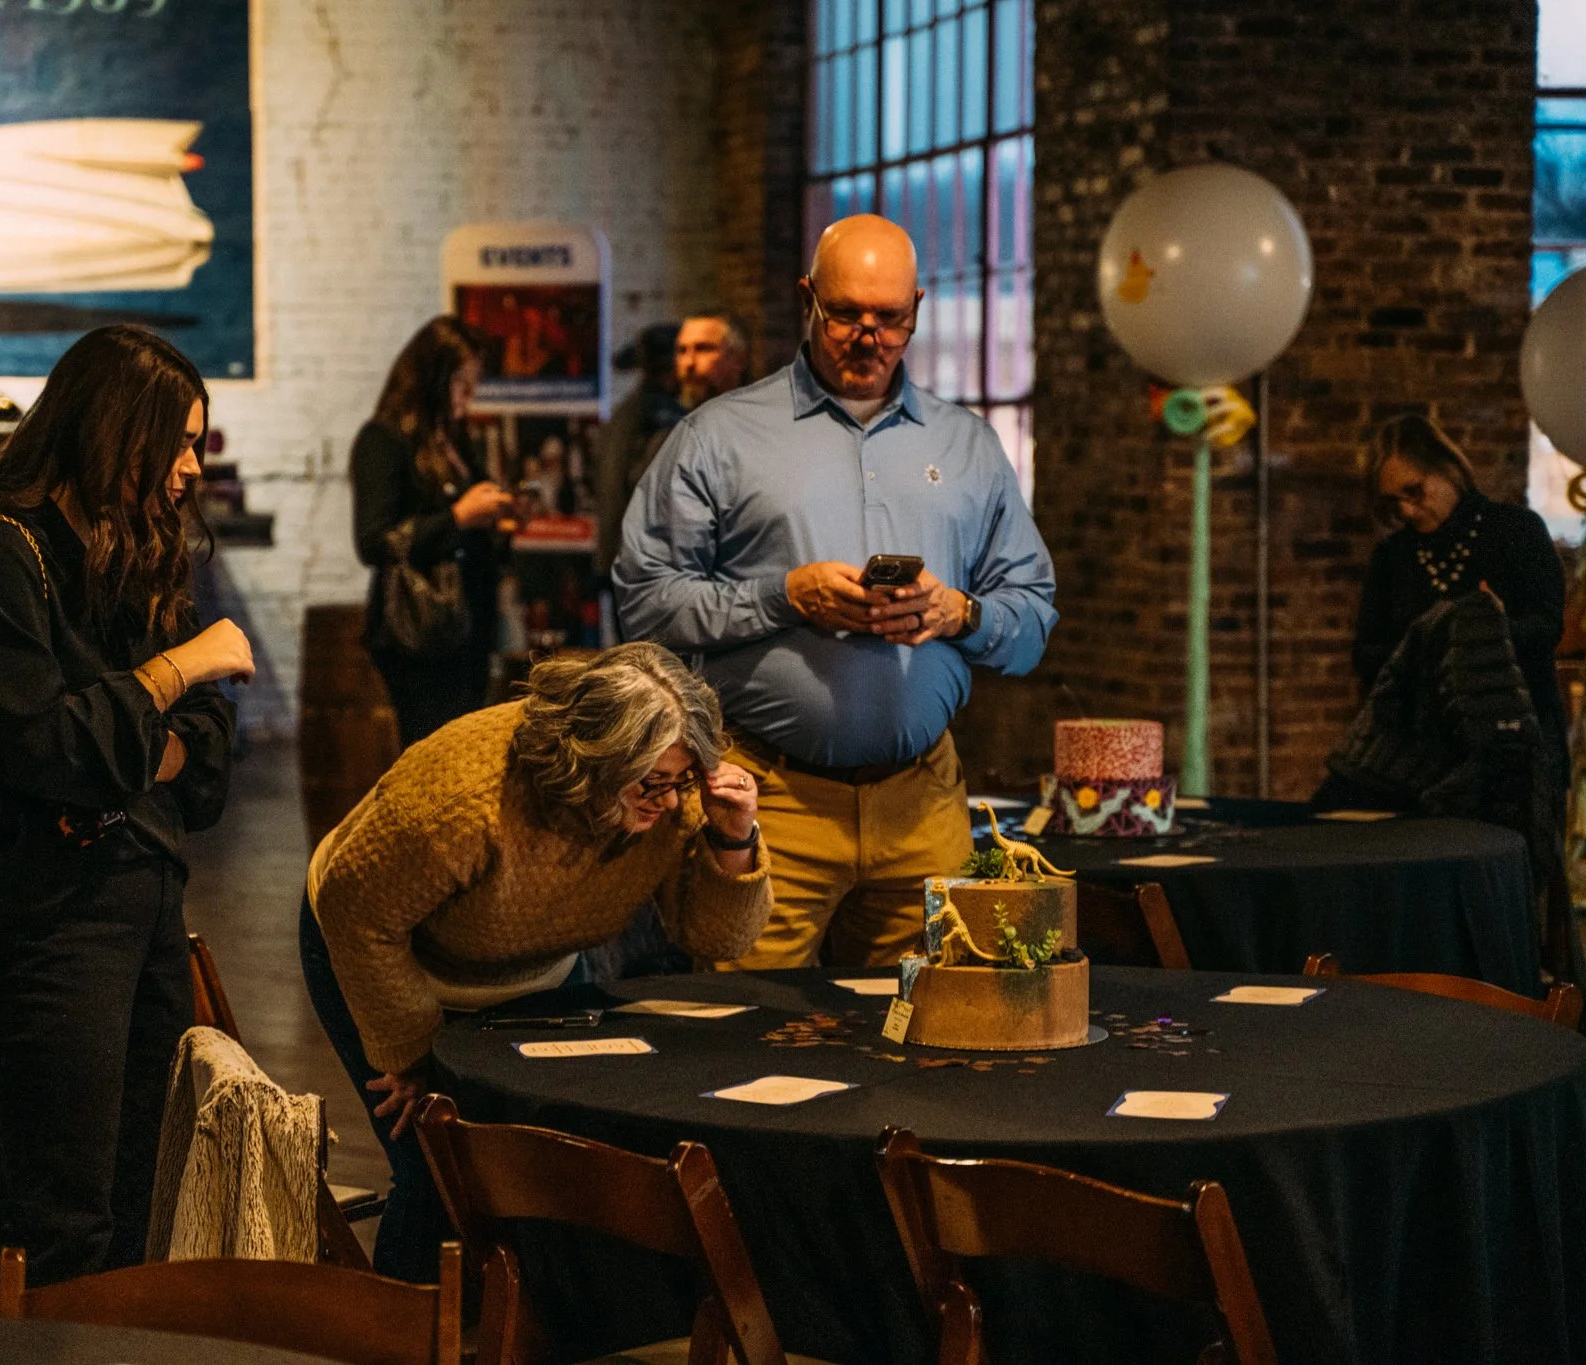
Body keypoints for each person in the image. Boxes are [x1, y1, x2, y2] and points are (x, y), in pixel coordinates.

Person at [615, 214, 1056, 971]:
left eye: (891, 318)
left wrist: (960, 612)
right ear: (807, 299)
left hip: (923, 804)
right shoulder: (717, 437)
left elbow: (1033, 620)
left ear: (917, 308)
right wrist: (783, 596)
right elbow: (644, 602)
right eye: (846, 313)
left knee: (937, 1025)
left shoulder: (968, 446)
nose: (869, 337)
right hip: (769, 799)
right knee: (748, 1026)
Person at [0, 324, 251, 1287]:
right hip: (49, 911)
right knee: (65, 1210)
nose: (192, 468)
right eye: (179, 442)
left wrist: (137, 740)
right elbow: (47, 749)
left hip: (146, 888)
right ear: (118, 429)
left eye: (198, 444)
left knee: (147, 1189)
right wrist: (174, 674)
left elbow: (207, 749)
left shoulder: (139, 551)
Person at [299, 642, 772, 1280]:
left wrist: (734, 836)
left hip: (537, 965)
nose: (668, 802)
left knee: (556, 1154)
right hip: (386, 953)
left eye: (682, 781)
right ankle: (410, 1324)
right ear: (593, 760)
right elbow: (359, 917)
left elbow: (718, 940)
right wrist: (410, 1056)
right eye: (651, 783)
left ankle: (527, 1318)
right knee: (437, 1162)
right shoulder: (459, 799)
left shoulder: (670, 791)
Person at [1354, 413, 1567, 781]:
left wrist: (1487, 629)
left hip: (1514, 751)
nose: (1406, 510)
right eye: (1392, 503)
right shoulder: (1393, 556)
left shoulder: (1515, 530)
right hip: (1425, 762)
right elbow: (1366, 656)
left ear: (1447, 469)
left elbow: (1546, 629)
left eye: (1413, 491)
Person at [351, 316, 514, 747]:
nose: (469, 395)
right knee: (431, 753)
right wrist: (459, 517)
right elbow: (373, 541)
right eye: (461, 382)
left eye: (473, 383)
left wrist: (501, 518)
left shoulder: (455, 439)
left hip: (469, 625)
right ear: (430, 378)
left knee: (465, 749)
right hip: (421, 632)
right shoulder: (383, 440)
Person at [593, 315, 751, 577]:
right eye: (682, 351)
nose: (689, 363)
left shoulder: (640, 414)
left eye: (703, 349)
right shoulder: (662, 422)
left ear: (737, 359)